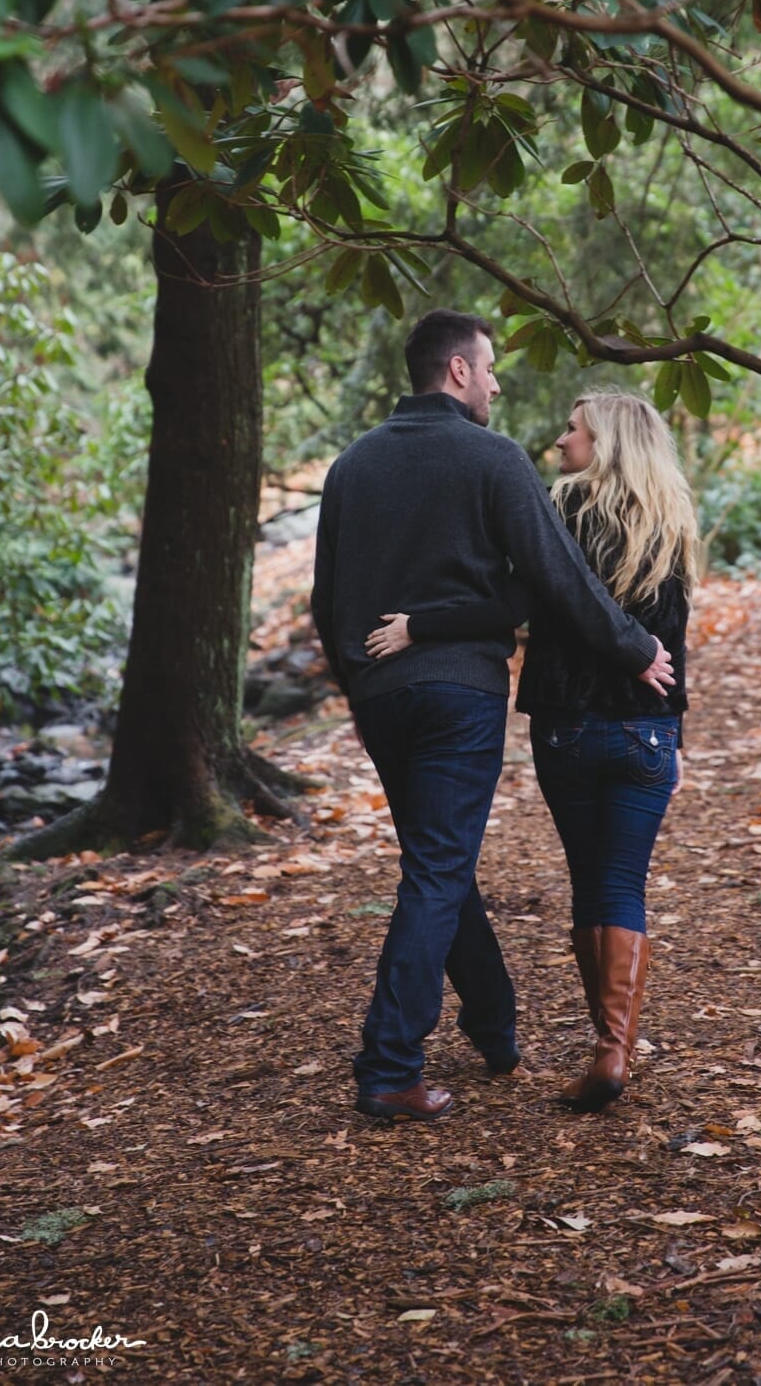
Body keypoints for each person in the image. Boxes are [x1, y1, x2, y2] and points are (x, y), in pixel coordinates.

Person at [310, 312, 674, 1124]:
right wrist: (634, 648)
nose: (500, 382)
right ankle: (388, 1067)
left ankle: (494, 1026)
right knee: (439, 869)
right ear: (456, 371)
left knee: (439, 863)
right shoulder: (494, 459)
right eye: (491, 367)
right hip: (459, 698)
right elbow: (560, 575)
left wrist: (358, 691)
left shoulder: (351, 467)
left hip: (383, 697)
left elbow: (325, 600)